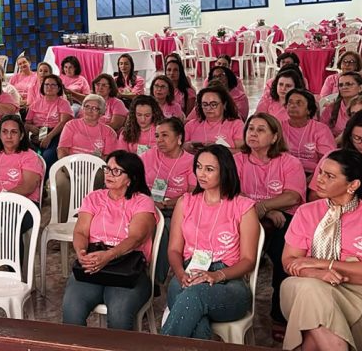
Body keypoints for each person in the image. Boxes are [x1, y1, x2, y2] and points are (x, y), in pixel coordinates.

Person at [280, 149, 362, 351]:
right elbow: (289, 261)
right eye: (320, 172)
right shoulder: (306, 212)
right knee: (310, 289)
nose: (320, 179)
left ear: (353, 185)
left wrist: (322, 264)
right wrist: (317, 274)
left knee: (311, 327)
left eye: (330, 176)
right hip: (303, 284)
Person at [161, 145, 260, 340]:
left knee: (194, 296)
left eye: (209, 169)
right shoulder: (185, 202)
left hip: (229, 280)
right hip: (189, 273)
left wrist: (216, 275)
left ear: (225, 172)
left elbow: (249, 260)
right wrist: (181, 274)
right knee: (197, 318)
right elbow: (173, 250)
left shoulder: (243, 207)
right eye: (198, 167)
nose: (201, 174)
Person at [62, 150, 158, 331]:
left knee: (119, 314)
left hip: (127, 268)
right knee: (72, 309)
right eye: (107, 169)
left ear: (131, 178)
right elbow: (80, 231)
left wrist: (109, 255)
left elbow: (136, 238)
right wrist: (81, 252)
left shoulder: (142, 201)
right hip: (94, 264)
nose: (109, 174)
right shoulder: (94, 198)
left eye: (116, 171)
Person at [234, 112, 306, 330]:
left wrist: (265, 207)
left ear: (274, 137)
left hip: (284, 216)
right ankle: (231, 301)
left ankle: (279, 314)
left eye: (260, 130)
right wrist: (263, 210)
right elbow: (232, 192)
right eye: (250, 129)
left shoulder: (289, 162)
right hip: (245, 215)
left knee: (285, 256)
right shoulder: (237, 160)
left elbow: (292, 196)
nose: (253, 133)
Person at [0, 115, 43, 276]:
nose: (9, 136)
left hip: (24, 205)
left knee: (10, 226)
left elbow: (28, 186)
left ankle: (14, 274)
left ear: (21, 135)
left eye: (14, 132)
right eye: (4, 132)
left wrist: (2, 199)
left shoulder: (29, 156)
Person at [141, 117, 195, 282]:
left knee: (165, 227)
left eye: (165, 135)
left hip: (176, 209)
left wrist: (168, 203)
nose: (159, 140)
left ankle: (156, 279)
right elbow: (136, 182)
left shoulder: (191, 161)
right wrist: (149, 201)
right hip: (149, 205)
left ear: (179, 138)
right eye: (157, 136)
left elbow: (193, 192)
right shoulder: (149, 155)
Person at [280, 88, 335, 174]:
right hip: (284, 172)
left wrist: (312, 178)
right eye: (290, 102)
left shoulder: (320, 129)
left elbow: (328, 160)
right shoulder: (279, 127)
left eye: (299, 103)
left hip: (314, 173)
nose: (293, 106)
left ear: (309, 110)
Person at [25, 74, 72, 169]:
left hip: (55, 133)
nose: (49, 87)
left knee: (47, 157)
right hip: (38, 133)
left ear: (59, 88)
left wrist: (48, 137)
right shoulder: (36, 103)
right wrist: (31, 127)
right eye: (46, 84)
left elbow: (63, 123)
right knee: (30, 156)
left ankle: (46, 177)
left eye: (53, 85)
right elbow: (27, 123)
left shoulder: (63, 103)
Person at [184, 86, 244, 152]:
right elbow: (179, 148)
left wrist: (218, 149)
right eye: (205, 104)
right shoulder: (191, 125)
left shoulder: (236, 125)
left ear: (224, 105)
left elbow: (242, 152)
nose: (208, 108)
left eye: (213, 104)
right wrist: (187, 146)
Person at [57, 94, 118, 158]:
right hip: (72, 162)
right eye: (87, 106)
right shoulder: (71, 125)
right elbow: (62, 149)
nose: (89, 111)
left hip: (96, 163)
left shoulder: (109, 132)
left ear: (101, 112)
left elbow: (108, 157)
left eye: (94, 108)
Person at [323, 71, 362, 137]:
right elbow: (322, 132)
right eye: (341, 85)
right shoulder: (331, 109)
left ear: (360, 88)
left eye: (349, 84)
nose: (344, 87)